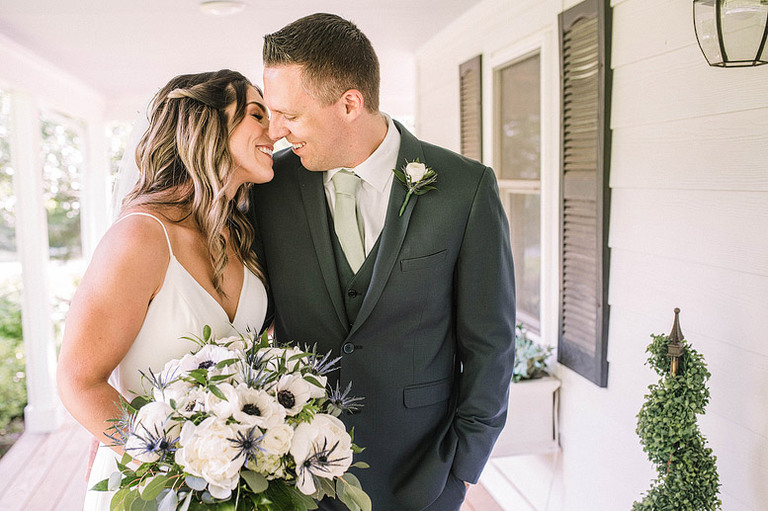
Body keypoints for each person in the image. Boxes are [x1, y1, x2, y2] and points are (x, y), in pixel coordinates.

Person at [251, 13, 516, 511]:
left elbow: (491, 343)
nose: (278, 131)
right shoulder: (268, 188)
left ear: (349, 104)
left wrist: (463, 468)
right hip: (296, 480)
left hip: (423, 476)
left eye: (290, 115)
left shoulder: (465, 188)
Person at [57, 69, 274, 510]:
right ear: (208, 126)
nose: (276, 131)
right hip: (155, 487)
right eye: (257, 114)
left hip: (234, 485)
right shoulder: (141, 237)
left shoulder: (241, 233)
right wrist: (177, 468)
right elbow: (79, 381)